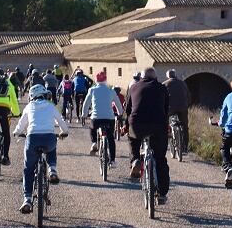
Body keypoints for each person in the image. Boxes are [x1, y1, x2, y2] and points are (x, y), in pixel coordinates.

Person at [13, 85, 69, 213]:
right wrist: (64, 132)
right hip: (48, 138)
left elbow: (21, 125)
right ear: (44, 94)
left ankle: (27, 199)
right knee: (52, 144)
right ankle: (52, 169)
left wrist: (16, 132)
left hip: (32, 138)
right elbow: (61, 121)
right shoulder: (50, 106)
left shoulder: (29, 107)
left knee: (28, 169)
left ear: (32, 96)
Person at [124, 67, 170, 204]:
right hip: (158, 125)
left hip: (137, 124)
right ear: (155, 77)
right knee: (160, 159)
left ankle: (135, 160)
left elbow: (128, 110)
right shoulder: (162, 88)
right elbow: (166, 109)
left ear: (142, 77)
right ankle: (162, 194)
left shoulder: (133, 87)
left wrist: (126, 125)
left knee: (133, 139)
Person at [82, 72, 123, 167]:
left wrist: (84, 114)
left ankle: (94, 143)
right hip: (109, 118)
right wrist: (120, 114)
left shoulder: (92, 90)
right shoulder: (111, 91)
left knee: (92, 128)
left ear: (96, 80)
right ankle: (112, 161)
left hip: (96, 118)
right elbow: (118, 105)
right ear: (105, 80)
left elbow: (86, 103)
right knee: (111, 138)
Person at [162, 69, 191, 155]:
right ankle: (185, 146)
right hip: (183, 107)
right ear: (175, 75)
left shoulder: (164, 84)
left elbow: (161, 98)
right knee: (185, 126)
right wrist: (187, 105)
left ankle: (165, 140)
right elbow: (188, 95)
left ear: (168, 76)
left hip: (170, 108)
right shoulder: (183, 83)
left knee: (164, 123)